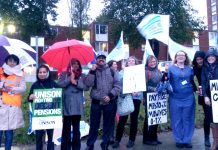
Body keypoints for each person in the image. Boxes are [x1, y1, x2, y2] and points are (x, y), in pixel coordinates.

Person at [84, 52, 121, 150]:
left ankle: (105, 144)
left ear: (105, 60)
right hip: (96, 103)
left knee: (107, 125)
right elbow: (87, 84)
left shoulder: (112, 71)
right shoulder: (93, 71)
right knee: (94, 125)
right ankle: (90, 145)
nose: (101, 59)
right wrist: (92, 72)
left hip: (109, 102)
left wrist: (110, 95)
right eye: (99, 58)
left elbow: (117, 86)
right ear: (96, 60)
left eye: (103, 58)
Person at [112, 56, 143, 148]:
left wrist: (137, 92)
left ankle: (131, 140)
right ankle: (117, 140)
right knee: (122, 119)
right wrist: (123, 92)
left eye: (133, 60)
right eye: (129, 60)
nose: (131, 61)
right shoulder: (121, 73)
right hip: (125, 97)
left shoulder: (139, 72)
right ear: (127, 63)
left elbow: (141, 85)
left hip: (136, 98)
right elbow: (118, 85)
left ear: (136, 62)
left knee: (134, 120)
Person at [168, 50, 197, 148]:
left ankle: (187, 140)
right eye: (178, 55)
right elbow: (166, 81)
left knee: (188, 119)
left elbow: (192, 81)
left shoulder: (190, 69)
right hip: (175, 98)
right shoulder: (170, 69)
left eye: (182, 55)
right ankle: (179, 140)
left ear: (185, 57)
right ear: (175, 57)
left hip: (189, 97)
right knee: (177, 119)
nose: (180, 56)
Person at [58, 58, 87, 150]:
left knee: (76, 128)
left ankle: (76, 147)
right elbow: (59, 85)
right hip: (67, 104)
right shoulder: (64, 74)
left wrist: (76, 82)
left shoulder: (82, 75)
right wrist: (69, 79)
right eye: (73, 63)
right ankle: (65, 148)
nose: (75, 65)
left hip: (78, 105)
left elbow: (86, 87)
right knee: (66, 128)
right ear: (70, 65)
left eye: (77, 64)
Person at [28, 64, 59, 150]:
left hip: (51, 114)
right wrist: (30, 97)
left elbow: (60, 96)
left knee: (51, 136)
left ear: (47, 73)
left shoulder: (53, 84)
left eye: (44, 72)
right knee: (38, 136)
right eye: (40, 72)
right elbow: (29, 98)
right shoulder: (35, 85)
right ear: (37, 74)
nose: (42, 74)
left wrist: (56, 93)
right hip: (39, 115)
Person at [0, 54, 26, 150]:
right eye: (10, 60)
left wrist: (11, 89)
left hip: (13, 105)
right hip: (1, 104)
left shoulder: (21, 74)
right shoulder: (0, 71)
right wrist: (3, 85)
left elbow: (23, 88)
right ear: (6, 61)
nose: (12, 63)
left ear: (17, 62)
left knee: (9, 131)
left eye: (14, 61)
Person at [192, 51, 211, 147]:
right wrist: (196, 89)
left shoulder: (209, 66)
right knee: (207, 116)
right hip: (203, 93)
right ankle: (207, 137)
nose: (199, 61)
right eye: (197, 59)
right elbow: (190, 79)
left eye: (200, 59)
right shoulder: (195, 68)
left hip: (214, 92)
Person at [143, 55, 162, 146]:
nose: (153, 63)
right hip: (149, 97)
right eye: (151, 62)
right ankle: (146, 138)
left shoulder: (158, 71)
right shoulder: (146, 72)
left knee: (156, 118)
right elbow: (143, 86)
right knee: (149, 118)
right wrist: (152, 88)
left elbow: (161, 82)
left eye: (154, 61)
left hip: (158, 98)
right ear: (148, 63)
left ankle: (154, 137)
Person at [202, 49, 218, 150]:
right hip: (209, 96)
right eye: (209, 56)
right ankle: (215, 141)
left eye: (212, 56)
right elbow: (203, 83)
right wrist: (205, 96)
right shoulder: (204, 68)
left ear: (216, 57)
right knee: (212, 119)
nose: (210, 58)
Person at [107, 60, 118, 145]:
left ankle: (112, 136)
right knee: (108, 119)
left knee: (112, 119)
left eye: (116, 64)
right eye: (114, 64)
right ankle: (107, 136)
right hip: (107, 99)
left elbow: (117, 86)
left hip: (114, 99)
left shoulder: (116, 73)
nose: (116, 65)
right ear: (110, 65)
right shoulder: (108, 73)